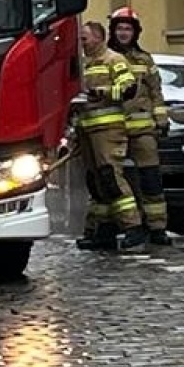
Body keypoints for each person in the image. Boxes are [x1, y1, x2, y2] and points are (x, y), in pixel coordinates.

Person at [74, 20, 147, 253]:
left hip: (108, 130)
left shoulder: (113, 60)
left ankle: (133, 228)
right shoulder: (84, 63)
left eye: (84, 39)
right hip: (87, 129)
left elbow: (129, 88)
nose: (81, 43)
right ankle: (100, 230)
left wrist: (101, 92)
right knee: (96, 182)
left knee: (111, 178)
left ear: (98, 38)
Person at [108, 7, 171, 246]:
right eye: (120, 28)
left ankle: (157, 228)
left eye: (128, 29)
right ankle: (116, 226)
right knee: (112, 180)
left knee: (151, 179)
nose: (124, 33)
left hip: (143, 130)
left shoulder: (145, 60)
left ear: (135, 32)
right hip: (113, 130)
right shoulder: (105, 58)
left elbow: (155, 91)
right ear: (113, 31)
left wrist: (162, 120)